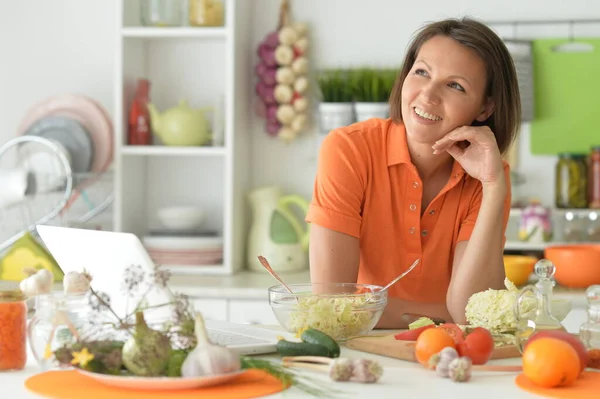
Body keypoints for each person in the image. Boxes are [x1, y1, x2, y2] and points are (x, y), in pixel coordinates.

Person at [305, 17, 521, 328]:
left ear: (485, 109)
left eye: (455, 85)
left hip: (447, 357)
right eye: (422, 72)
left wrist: (492, 187)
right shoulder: (348, 150)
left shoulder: (490, 177)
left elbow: (474, 313)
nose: (428, 95)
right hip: (361, 352)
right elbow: (333, 305)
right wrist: (441, 314)